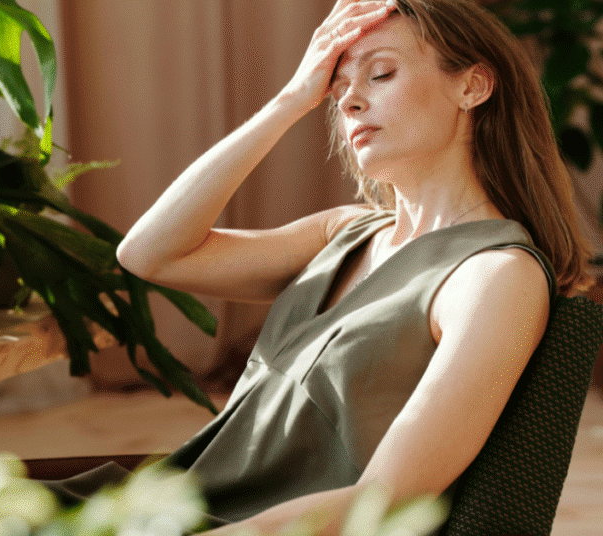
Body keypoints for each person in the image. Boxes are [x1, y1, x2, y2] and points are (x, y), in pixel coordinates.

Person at [108, 0, 594, 534]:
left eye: (381, 73)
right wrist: (290, 101)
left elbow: (383, 501)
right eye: (338, 92)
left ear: (472, 86)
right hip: (158, 506)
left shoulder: (493, 276)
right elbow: (149, 253)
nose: (352, 102)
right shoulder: (345, 232)